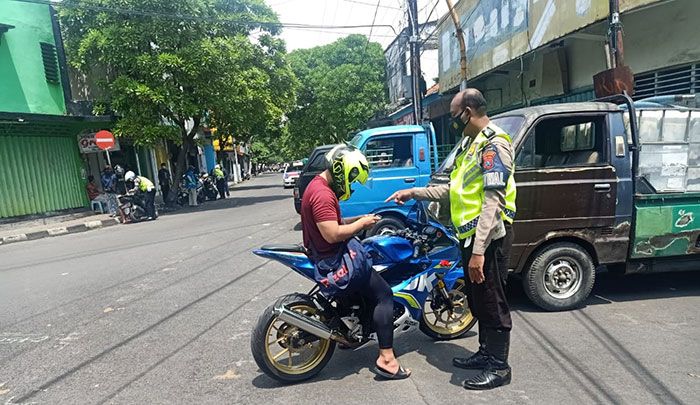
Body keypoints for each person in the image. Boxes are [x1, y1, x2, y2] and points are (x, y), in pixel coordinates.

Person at [385, 88, 516, 390]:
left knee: (493, 301)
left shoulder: (494, 146)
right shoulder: (470, 145)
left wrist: (479, 252)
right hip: (470, 237)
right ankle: (485, 353)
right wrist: (414, 192)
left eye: (455, 116)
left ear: (468, 112)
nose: (453, 122)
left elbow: (492, 201)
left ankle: (499, 366)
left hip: (490, 238)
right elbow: (451, 190)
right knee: (478, 299)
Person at [301, 144, 411, 381]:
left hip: (323, 253)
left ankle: (351, 332)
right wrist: (362, 225)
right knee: (383, 295)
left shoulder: (318, 186)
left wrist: (360, 218)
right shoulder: (322, 194)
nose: (350, 185)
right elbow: (332, 233)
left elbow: (333, 221)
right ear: (342, 171)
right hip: (332, 257)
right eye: (351, 179)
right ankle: (387, 359)